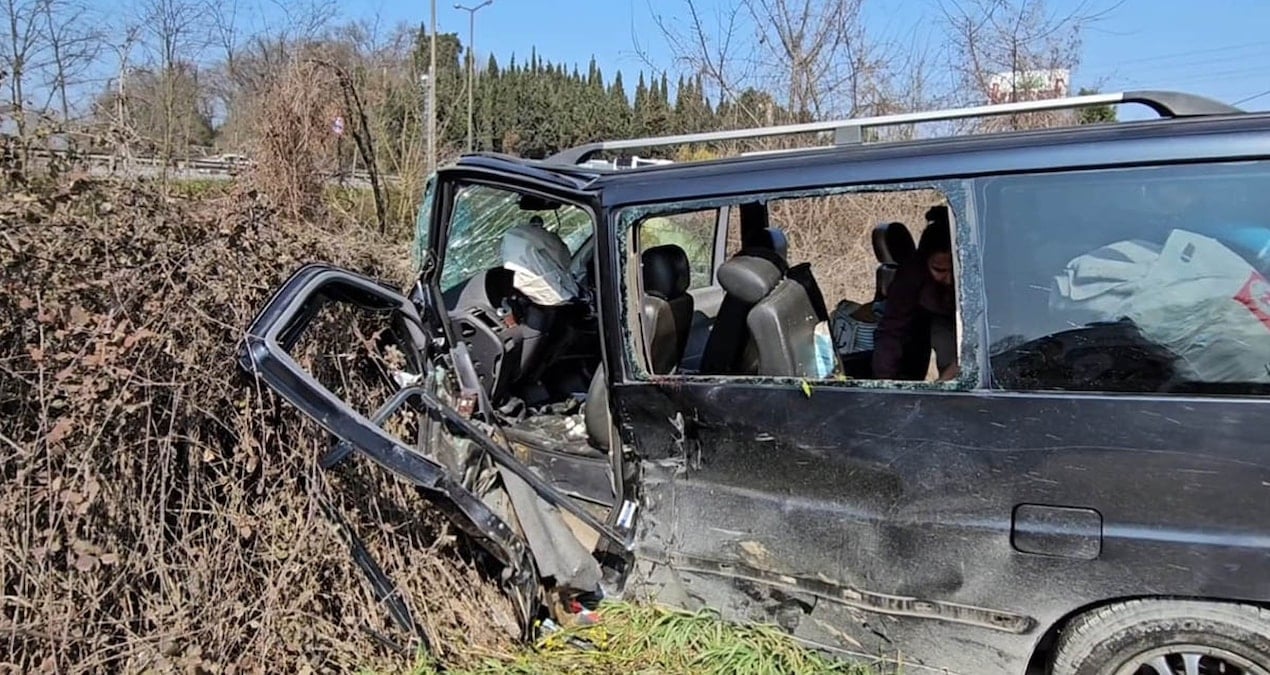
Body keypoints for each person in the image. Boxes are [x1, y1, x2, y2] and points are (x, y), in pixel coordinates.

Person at [872, 206, 959, 381]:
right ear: (924, 260)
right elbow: (892, 330)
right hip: (938, 321)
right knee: (943, 340)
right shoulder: (910, 277)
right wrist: (885, 383)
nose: (949, 280)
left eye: (955, 271)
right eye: (939, 270)